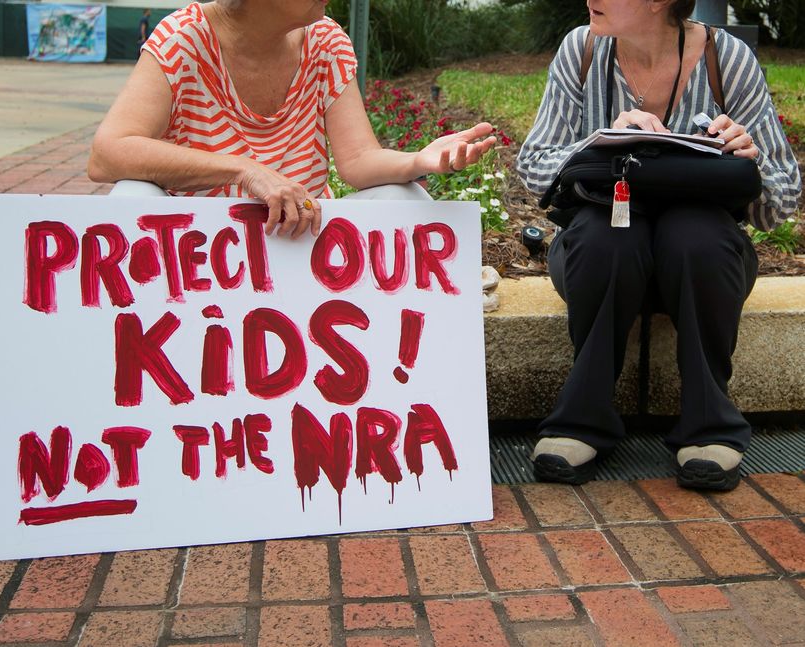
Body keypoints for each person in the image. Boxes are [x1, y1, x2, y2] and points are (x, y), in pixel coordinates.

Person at [516, 0, 801, 490]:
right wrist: (602, 141)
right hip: (601, 255)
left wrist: (746, 154)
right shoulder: (581, 51)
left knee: (695, 234)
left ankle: (710, 425)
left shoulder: (725, 58)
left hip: (701, 264)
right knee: (611, 236)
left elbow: (782, 198)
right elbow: (534, 166)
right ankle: (582, 419)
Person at [89, 0, 496, 239]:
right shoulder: (185, 38)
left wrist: (416, 161)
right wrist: (245, 170)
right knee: (132, 195)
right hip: (198, 256)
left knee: (404, 198)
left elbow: (357, 161)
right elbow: (107, 155)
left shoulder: (326, 40)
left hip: (297, 242)